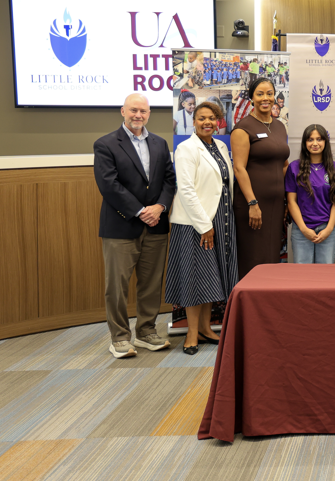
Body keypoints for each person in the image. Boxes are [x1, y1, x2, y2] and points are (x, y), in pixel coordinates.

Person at [93, 93, 175, 358]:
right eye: (133, 110)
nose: (138, 115)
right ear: (123, 111)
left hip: (156, 227)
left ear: (149, 114)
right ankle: (119, 337)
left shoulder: (160, 144)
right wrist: (140, 211)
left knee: (151, 284)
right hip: (121, 226)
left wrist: (160, 207)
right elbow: (109, 185)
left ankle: (146, 331)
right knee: (117, 286)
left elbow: (169, 181)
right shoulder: (106, 144)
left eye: (143, 111)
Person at [165, 101, 237, 355]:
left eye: (212, 118)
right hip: (196, 223)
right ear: (193, 122)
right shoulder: (186, 148)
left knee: (212, 278)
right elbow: (185, 190)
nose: (207, 122)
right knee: (195, 279)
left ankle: (206, 328)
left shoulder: (220, 145)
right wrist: (204, 225)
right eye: (201, 118)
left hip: (221, 220)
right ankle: (192, 334)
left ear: (218, 122)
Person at [231, 77, 290, 279]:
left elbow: (284, 165)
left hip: (276, 205)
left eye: (269, 93)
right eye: (260, 94)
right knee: (253, 259)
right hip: (252, 205)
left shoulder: (280, 126)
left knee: (271, 258)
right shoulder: (243, 128)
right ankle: (247, 306)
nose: (266, 98)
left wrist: (288, 200)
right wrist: (252, 203)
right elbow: (239, 168)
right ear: (251, 98)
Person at [286, 124, 335, 264]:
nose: (315, 143)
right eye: (310, 140)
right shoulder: (294, 167)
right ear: (305, 143)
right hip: (301, 229)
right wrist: (304, 229)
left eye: (319, 139)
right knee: (302, 276)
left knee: (325, 275)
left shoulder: (334, 168)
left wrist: (329, 229)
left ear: (325, 142)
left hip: (327, 230)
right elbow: (291, 201)